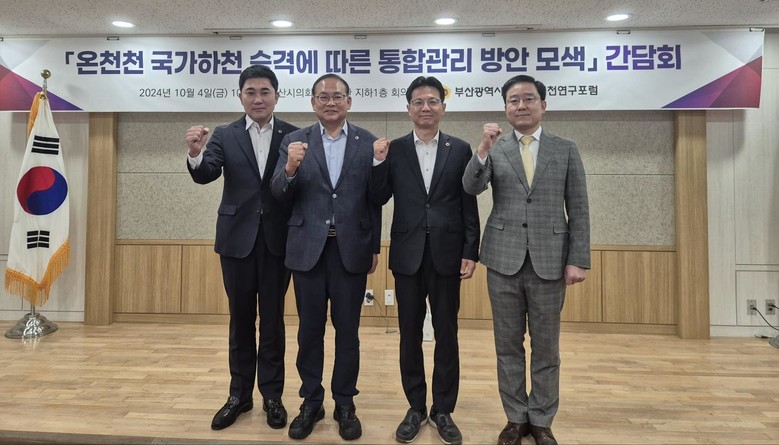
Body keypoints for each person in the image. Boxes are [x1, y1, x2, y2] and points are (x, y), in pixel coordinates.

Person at [462, 74, 590, 445]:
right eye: (513, 100)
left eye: (528, 99)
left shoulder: (565, 149)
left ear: (543, 105)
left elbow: (579, 207)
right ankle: (516, 418)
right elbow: (471, 187)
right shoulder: (495, 147)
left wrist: (577, 259)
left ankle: (542, 419)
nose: (521, 105)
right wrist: (482, 149)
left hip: (551, 260)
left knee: (547, 347)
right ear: (505, 108)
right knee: (507, 346)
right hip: (503, 260)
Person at [185, 65, 298, 432]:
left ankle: (272, 396)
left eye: (265, 92)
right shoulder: (225, 134)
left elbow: (295, 186)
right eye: (250, 92)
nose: (258, 98)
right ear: (240, 96)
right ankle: (239, 395)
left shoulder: (293, 135)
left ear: (277, 96)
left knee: (273, 321)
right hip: (236, 241)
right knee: (241, 320)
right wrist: (196, 153)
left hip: (277, 242)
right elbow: (206, 173)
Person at [270, 73, 381, 441]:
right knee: (310, 331)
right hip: (308, 250)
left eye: (337, 96)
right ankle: (311, 401)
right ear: (312, 102)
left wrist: (374, 246)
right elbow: (278, 192)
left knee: (348, 332)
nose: (330, 102)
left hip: (351, 250)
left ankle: (345, 402)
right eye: (323, 96)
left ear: (349, 101)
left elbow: (375, 200)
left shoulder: (368, 142)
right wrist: (290, 168)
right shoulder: (294, 141)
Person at [370, 76, 480, 445]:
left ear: (443, 108)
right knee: (409, 334)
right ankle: (416, 407)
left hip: (448, 255)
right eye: (418, 102)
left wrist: (471, 250)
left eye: (433, 101)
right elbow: (378, 196)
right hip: (408, 255)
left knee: (447, 333)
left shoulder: (459, 149)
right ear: (408, 109)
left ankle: (443, 409)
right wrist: (377, 162)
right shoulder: (395, 149)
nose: (426, 107)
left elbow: (468, 203)